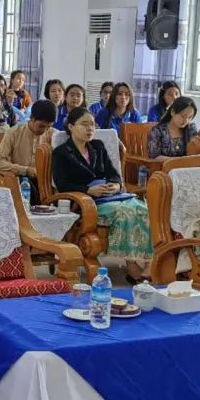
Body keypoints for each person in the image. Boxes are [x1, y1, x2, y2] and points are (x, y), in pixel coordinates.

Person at [54, 106, 153, 279]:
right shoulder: (61, 153)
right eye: (84, 124)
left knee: (145, 209)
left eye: (92, 125)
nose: (90, 128)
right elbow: (62, 184)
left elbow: (113, 174)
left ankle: (149, 262)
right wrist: (88, 190)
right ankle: (131, 265)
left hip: (112, 195)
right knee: (126, 213)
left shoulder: (98, 147)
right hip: (87, 201)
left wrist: (115, 185)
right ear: (70, 126)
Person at [0, 100, 56, 202]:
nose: (44, 130)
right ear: (32, 119)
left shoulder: (53, 134)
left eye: (48, 126)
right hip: (19, 181)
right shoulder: (13, 133)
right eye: (42, 126)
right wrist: (25, 170)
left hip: (44, 182)